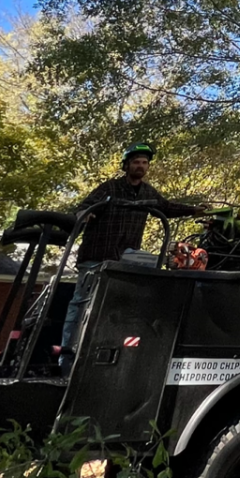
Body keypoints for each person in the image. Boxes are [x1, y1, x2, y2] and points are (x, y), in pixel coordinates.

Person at [57, 142, 190, 366]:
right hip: (97, 256)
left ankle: (108, 354)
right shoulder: (109, 188)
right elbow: (85, 206)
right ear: (126, 165)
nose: (141, 166)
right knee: (81, 302)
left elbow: (167, 207)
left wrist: (195, 210)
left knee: (123, 302)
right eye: (136, 162)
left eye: (144, 162)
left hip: (125, 260)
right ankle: (67, 355)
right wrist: (84, 214)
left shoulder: (147, 192)